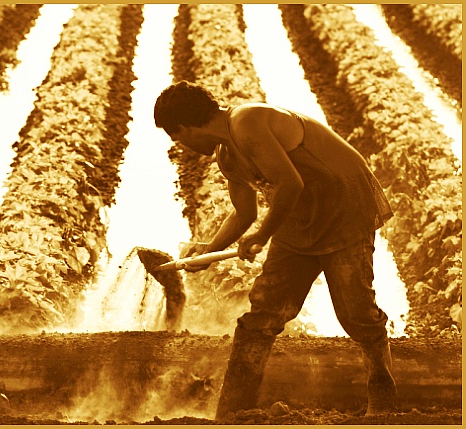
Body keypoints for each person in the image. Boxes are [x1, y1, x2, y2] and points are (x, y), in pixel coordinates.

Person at [153, 81, 398, 419]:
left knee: (355, 309)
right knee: (264, 311)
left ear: (187, 127)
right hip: (299, 220)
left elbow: (289, 183)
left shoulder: (247, 121)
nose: (183, 146)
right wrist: (208, 250)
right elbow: (244, 213)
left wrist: (262, 236)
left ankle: (383, 397)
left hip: (344, 209)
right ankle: (235, 408)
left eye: (177, 138)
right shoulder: (228, 157)